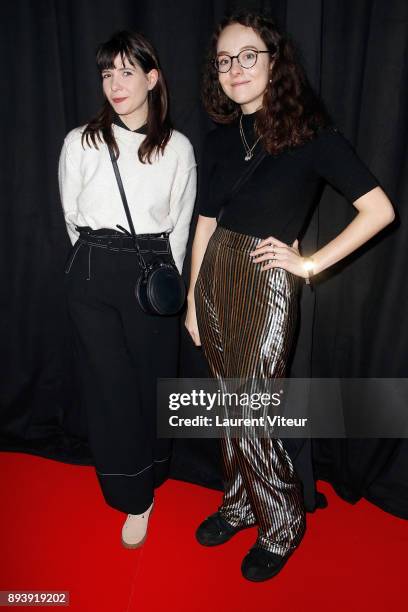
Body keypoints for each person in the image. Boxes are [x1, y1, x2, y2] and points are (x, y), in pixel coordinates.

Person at [185, 10, 395, 582]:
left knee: (252, 411)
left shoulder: (313, 135)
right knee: (227, 406)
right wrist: (190, 301)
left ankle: (282, 522)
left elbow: (380, 210)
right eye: (225, 60)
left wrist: (308, 265)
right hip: (215, 274)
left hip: (265, 278)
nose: (236, 69)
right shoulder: (221, 138)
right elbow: (205, 223)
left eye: (248, 55)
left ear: (275, 61)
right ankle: (237, 502)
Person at [59, 30, 196, 549]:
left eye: (126, 71)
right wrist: (90, 261)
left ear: (152, 77)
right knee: (109, 390)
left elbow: (180, 225)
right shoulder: (81, 141)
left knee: (151, 383)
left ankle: (155, 474)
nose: (115, 84)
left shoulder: (178, 148)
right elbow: (71, 215)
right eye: (106, 73)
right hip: (94, 267)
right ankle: (132, 497)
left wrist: (173, 286)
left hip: (154, 271)